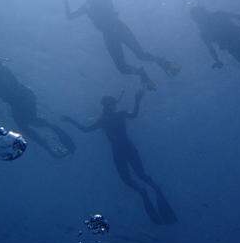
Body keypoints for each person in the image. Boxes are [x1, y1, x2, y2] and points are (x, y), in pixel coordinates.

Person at [61, 90, 177, 225]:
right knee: (137, 176)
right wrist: (137, 100)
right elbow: (134, 115)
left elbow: (85, 129)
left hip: (120, 151)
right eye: (112, 104)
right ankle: (150, 190)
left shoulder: (105, 119)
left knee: (133, 178)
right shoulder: (113, 116)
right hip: (126, 149)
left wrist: (70, 120)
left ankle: (147, 191)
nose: (113, 106)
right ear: (110, 105)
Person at [61, 0, 180, 90]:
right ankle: (143, 72)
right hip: (111, 32)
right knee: (124, 66)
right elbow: (70, 17)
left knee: (140, 56)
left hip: (116, 28)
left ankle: (163, 64)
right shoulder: (91, 2)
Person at [0, 56, 75, 158]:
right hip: (21, 99)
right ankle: (53, 146)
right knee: (30, 124)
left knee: (27, 125)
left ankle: (53, 147)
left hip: (21, 99)